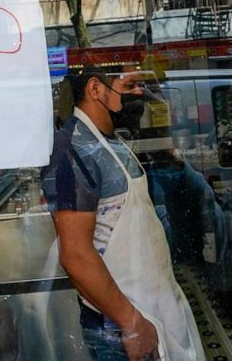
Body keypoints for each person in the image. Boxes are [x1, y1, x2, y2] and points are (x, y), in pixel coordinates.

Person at [42, 69, 205, 361]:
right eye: (130, 86)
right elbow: (75, 255)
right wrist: (131, 323)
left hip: (156, 310)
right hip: (123, 327)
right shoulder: (75, 150)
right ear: (95, 88)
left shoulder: (114, 142)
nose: (140, 94)